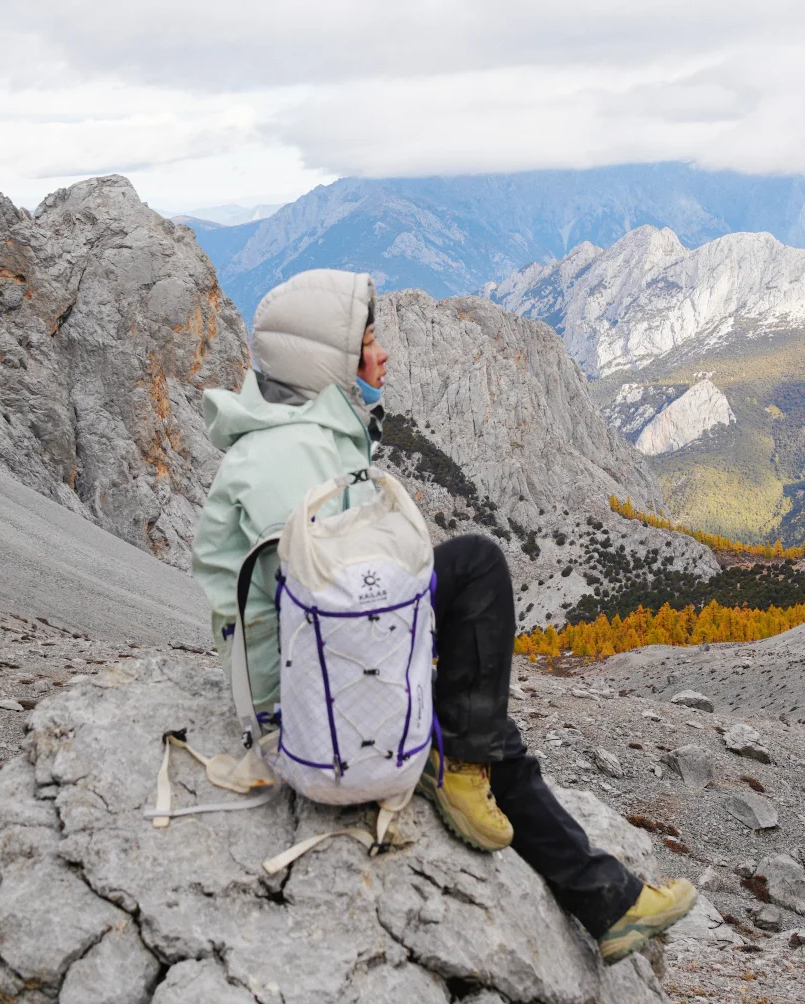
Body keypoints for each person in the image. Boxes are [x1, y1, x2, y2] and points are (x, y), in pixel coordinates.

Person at [192, 267, 695, 964]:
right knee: (480, 569)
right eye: (368, 342)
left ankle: (599, 895)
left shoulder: (304, 435)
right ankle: (483, 785)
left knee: (483, 727)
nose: (384, 355)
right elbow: (337, 602)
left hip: (327, 659)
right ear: (326, 361)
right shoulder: (293, 456)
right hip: (315, 695)